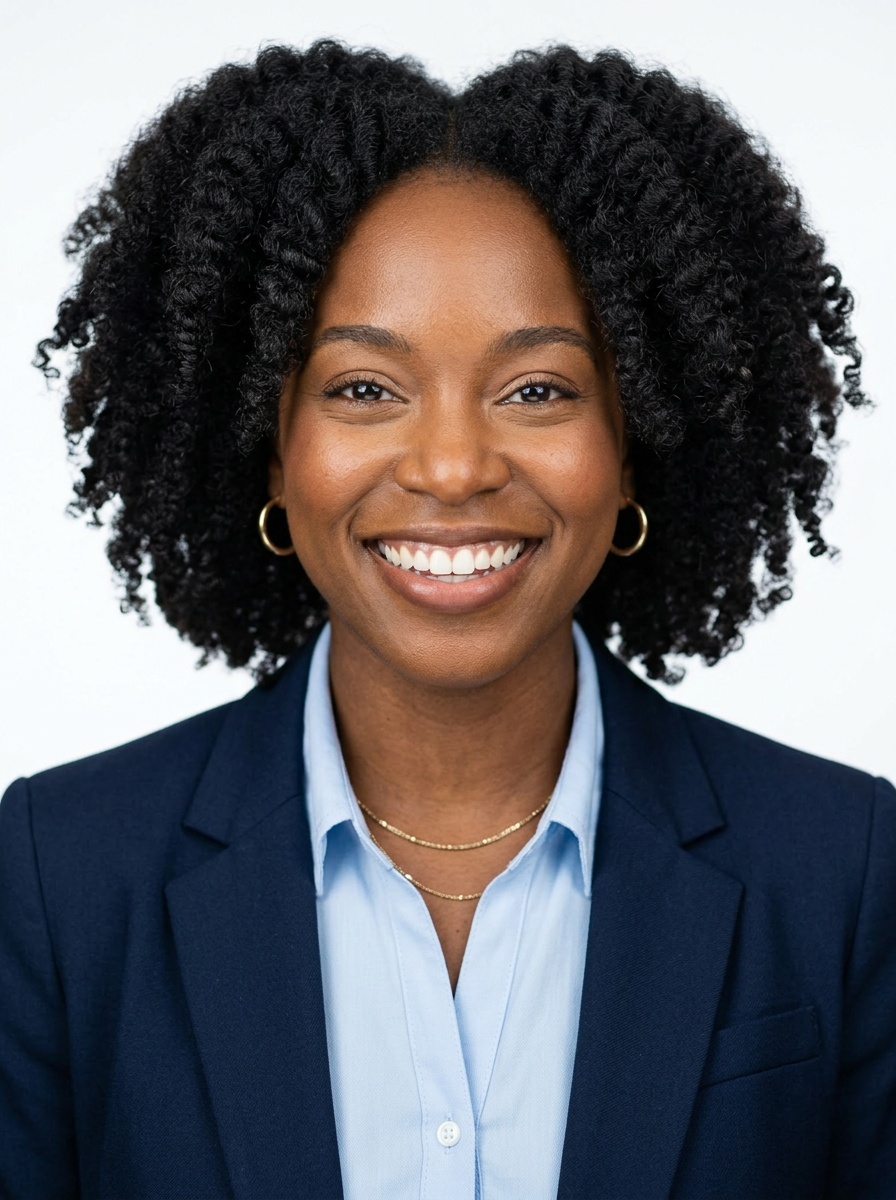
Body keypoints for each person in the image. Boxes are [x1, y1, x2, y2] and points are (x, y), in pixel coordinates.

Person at [0, 39, 893, 1199]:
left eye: (538, 389)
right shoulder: (60, 877)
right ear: (271, 453)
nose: (456, 465)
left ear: (631, 449)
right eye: (363, 389)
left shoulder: (842, 870)